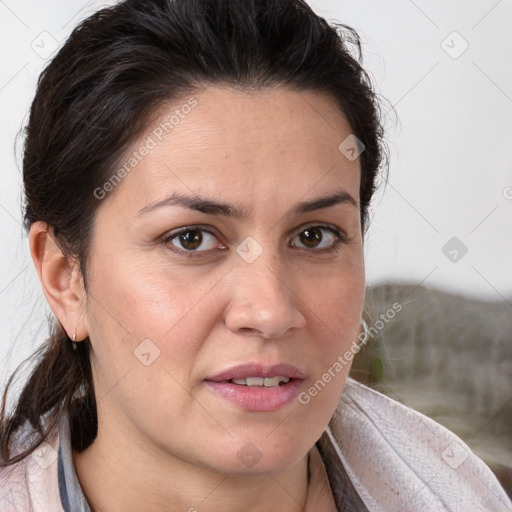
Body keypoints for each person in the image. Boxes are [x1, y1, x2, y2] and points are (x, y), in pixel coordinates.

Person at [0, 0, 510, 510]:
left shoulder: (461, 493)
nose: (270, 311)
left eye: (314, 236)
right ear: (66, 277)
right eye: (191, 239)